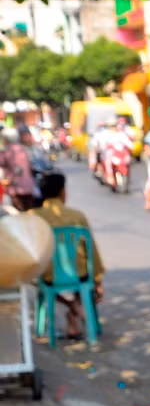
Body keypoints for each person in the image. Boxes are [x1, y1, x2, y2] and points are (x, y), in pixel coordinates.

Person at [30, 172, 105, 339]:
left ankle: (73, 312)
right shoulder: (77, 216)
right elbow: (91, 250)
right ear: (62, 192)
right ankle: (76, 309)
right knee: (81, 277)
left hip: (48, 275)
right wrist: (98, 278)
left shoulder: (33, 217)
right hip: (80, 274)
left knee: (36, 280)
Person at [0, 126, 38, 211]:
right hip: (29, 187)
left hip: (15, 188)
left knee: (20, 215)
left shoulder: (5, 151)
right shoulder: (23, 149)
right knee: (29, 212)